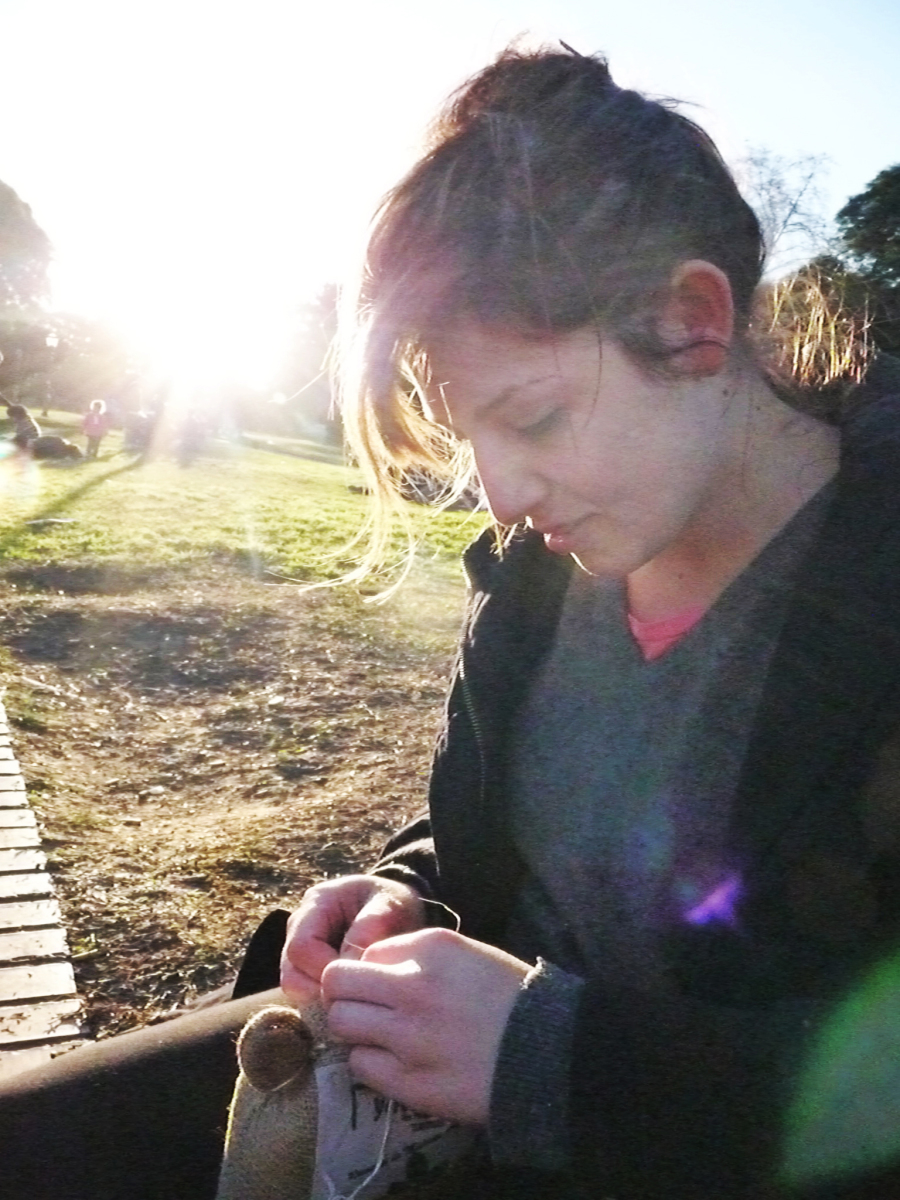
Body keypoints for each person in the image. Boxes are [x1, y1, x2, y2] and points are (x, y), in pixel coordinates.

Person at [1, 44, 899, 1200]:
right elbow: (506, 848)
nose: (504, 496)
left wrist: (556, 1063)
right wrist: (401, 893)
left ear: (693, 321)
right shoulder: (544, 577)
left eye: (535, 416)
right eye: (473, 436)